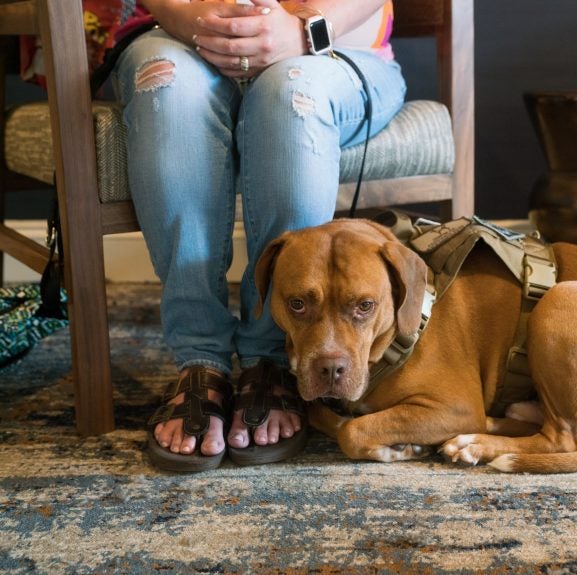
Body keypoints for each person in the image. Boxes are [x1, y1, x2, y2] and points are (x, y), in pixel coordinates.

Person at [109, 0, 406, 471]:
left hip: (338, 49)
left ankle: (273, 359)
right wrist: (195, 23)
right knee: (168, 86)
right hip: (178, 36)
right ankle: (199, 361)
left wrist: (309, 30)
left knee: (288, 92)